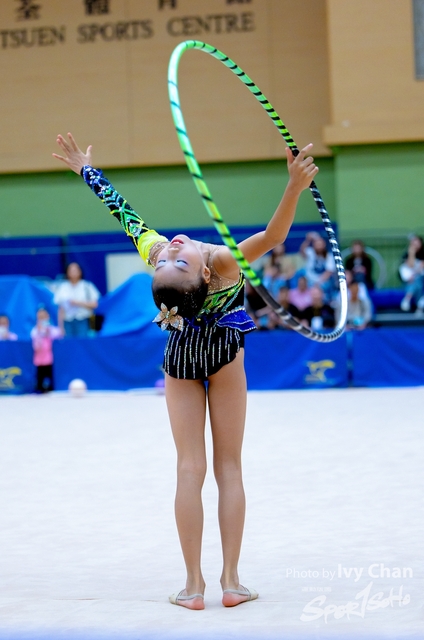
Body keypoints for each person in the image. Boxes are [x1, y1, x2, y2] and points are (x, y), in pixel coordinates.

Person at [53, 132, 318, 610]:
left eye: (167, 259)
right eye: (174, 260)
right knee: (226, 466)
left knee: (189, 468)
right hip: (224, 354)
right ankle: (229, 582)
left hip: (181, 357)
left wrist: (88, 172)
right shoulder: (223, 263)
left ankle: (195, 587)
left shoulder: (156, 252)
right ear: (205, 276)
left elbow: (123, 212)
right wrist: (293, 188)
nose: (169, 249)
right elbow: (274, 237)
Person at [54, 262, 100, 337]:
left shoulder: (87, 286)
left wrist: (78, 303)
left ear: (80, 272)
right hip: (67, 322)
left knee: (83, 342)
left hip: (84, 320)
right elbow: (60, 309)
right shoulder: (63, 288)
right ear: (67, 273)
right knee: (69, 342)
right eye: (71, 270)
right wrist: (61, 327)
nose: (73, 273)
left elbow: (95, 304)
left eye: (75, 270)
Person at [31, 307, 63, 393]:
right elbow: (36, 347)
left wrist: (48, 332)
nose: (42, 319)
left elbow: (61, 336)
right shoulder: (34, 331)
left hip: (51, 359)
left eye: (44, 316)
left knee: (51, 377)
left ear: (48, 316)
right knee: (40, 378)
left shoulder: (53, 330)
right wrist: (39, 333)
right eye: (40, 317)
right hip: (39, 360)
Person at [299, 232, 336, 296]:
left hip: (322, 282)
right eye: (317, 244)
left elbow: (328, 272)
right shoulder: (310, 252)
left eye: (320, 244)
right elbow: (302, 251)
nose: (318, 246)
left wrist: (317, 282)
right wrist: (308, 240)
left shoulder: (329, 256)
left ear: (324, 244)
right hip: (308, 280)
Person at [399, 235, 424, 312]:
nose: (415, 245)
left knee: (417, 280)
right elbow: (411, 265)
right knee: (415, 283)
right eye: (413, 243)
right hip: (409, 281)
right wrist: (411, 253)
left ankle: (408, 298)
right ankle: (420, 305)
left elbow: (420, 269)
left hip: (421, 280)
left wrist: (415, 273)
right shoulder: (406, 255)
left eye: (417, 243)